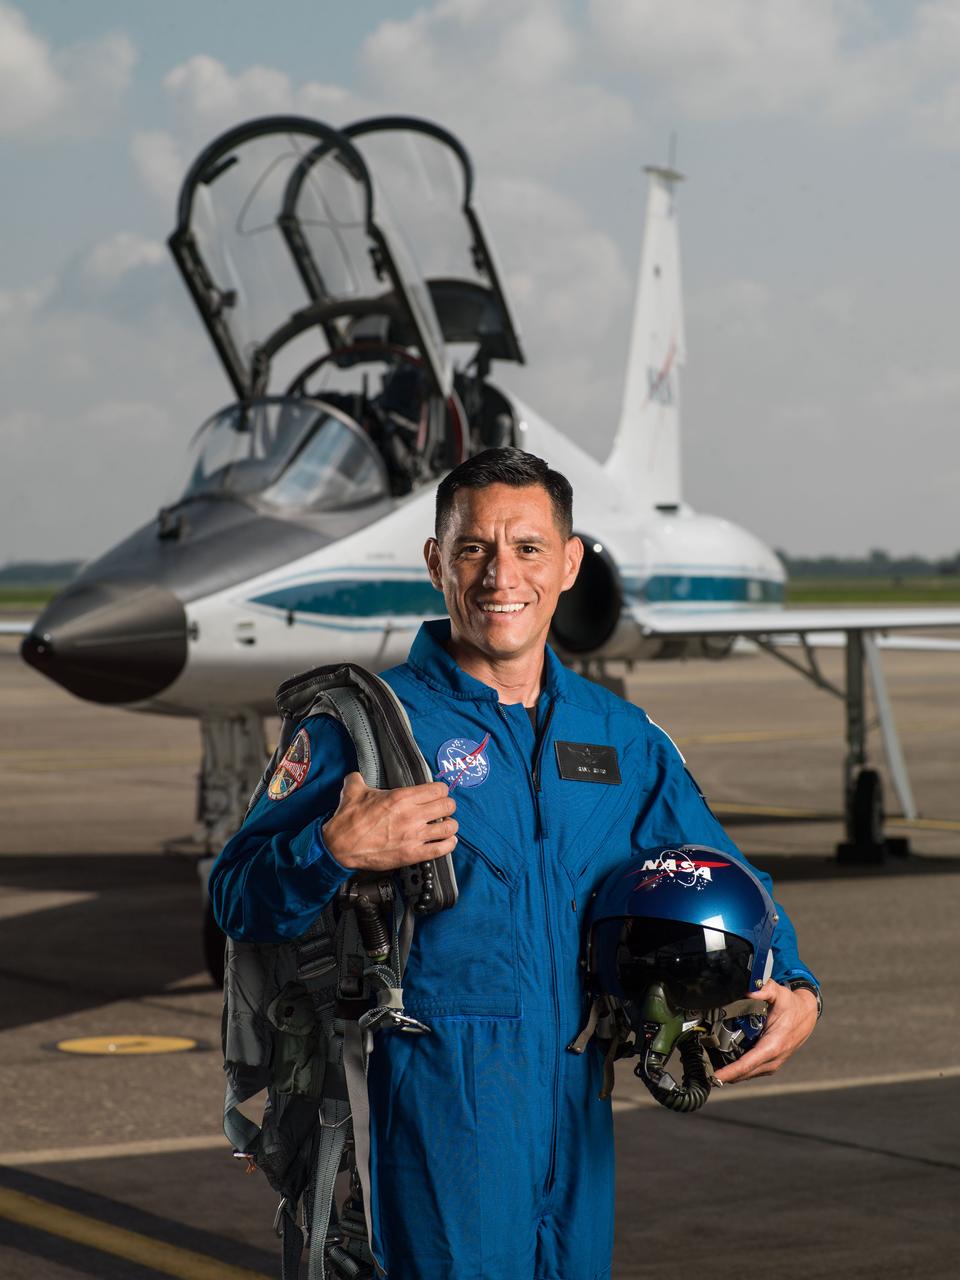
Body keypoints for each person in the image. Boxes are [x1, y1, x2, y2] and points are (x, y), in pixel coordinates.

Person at [211, 447, 820, 1280]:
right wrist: (331, 850)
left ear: (569, 563)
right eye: (474, 549)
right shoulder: (363, 730)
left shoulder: (622, 738)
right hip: (433, 1101)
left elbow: (725, 879)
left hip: (575, 1098)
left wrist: (796, 984)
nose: (503, 575)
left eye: (529, 548)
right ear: (436, 563)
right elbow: (237, 897)